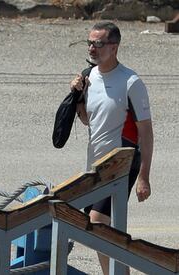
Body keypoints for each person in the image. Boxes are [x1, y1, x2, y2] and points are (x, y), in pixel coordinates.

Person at [70, 22, 154, 275]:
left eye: (98, 43)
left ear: (114, 47)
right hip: (95, 164)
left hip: (121, 164)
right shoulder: (89, 76)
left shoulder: (131, 82)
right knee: (101, 228)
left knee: (98, 222)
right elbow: (88, 120)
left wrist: (144, 177)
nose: (92, 48)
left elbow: (146, 132)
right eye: (90, 43)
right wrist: (76, 97)